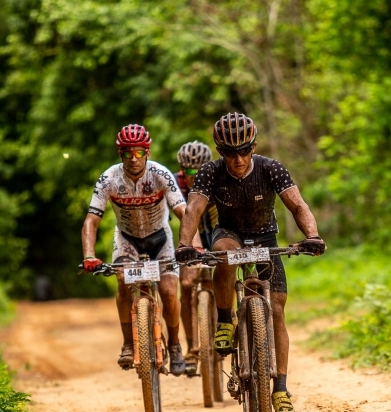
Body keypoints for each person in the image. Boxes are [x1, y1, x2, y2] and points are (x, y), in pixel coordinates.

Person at [175, 113, 326, 411]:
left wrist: (312, 235)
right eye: (230, 153)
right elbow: (193, 209)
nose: (238, 159)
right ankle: (224, 321)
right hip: (229, 233)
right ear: (220, 151)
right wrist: (184, 244)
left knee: (277, 310)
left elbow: (297, 204)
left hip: (265, 235)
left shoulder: (272, 168)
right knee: (224, 253)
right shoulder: (210, 172)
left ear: (254, 147)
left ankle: (280, 388)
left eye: (244, 150)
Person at [81, 124, 200, 376]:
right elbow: (91, 220)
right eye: (127, 153)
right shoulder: (109, 178)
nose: (133, 159)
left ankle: (175, 345)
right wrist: (89, 255)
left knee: (169, 291)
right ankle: (127, 343)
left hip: (160, 238)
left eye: (138, 153)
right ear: (120, 154)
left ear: (148, 152)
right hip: (127, 240)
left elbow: (183, 212)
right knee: (122, 280)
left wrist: (193, 244)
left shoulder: (160, 174)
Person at [173, 141, 218, 373]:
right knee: (187, 283)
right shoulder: (174, 183)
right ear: (182, 170)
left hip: (217, 232)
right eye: (189, 171)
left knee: (225, 277)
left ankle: (225, 322)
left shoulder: (218, 179)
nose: (194, 176)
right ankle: (192, 348)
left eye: (199, 171)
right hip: (190, 238)